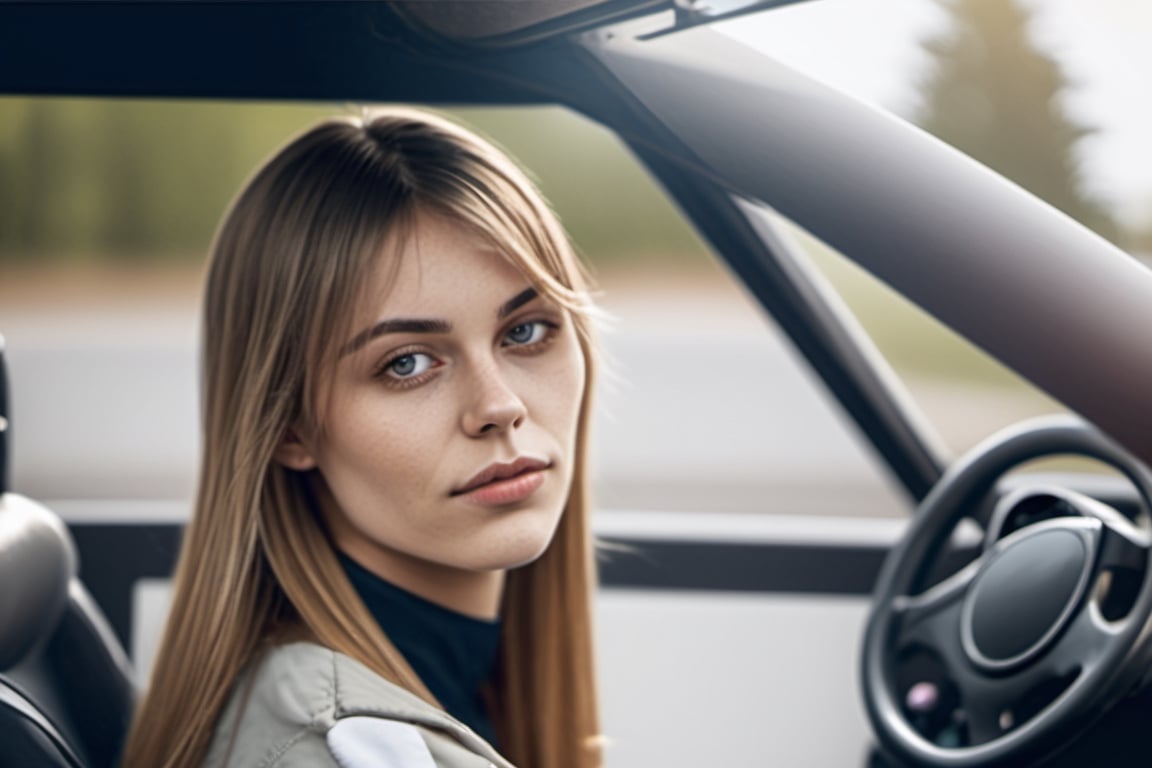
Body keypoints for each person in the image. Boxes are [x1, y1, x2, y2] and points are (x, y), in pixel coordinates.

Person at [121, 107, 602, 768]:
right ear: (290, 428)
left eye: (525, 331)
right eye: (406, 363)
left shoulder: (431, 702)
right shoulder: (346, 748)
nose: (499, 405)